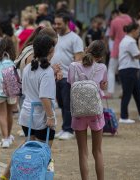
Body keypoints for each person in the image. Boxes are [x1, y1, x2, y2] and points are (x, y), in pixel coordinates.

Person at [0, 34, 56, 180]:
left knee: (27, 148)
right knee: (44, 154)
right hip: (41, 117)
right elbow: (44, 96)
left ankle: (8, 174)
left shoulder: (28, 68)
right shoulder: (47, 71)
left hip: (26, 114)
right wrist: (50, 116)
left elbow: (26, 90)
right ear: (50, 51)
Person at [67, 40, 107, 180]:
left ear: (86, 49)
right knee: (97, 151)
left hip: (78, 111)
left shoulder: (73, 66)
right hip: (95, 111)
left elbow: (72, 84)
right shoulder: (101, 67)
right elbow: (102, 87)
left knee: (82, 152)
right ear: (101, 57)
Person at [52, 12, 84, 140]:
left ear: (67, 23)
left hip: (67, 77)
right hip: (55, 76)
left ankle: (69, 129)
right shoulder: (55, 37)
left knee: (67, 104)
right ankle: (65, 127)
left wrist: (74, 77)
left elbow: (78, 59)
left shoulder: (75, 38)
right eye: (55, 23)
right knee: (61, 103)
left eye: (59, 24)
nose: (56, 26)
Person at [107, 3, 132, 98]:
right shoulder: (130, 20)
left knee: (111, 70)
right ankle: (123, 91)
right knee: (124, 70)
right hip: (128, 48)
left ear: (119, 10)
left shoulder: (114, 21)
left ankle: (110, 92)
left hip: (117, 47)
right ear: (128, 11)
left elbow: (111, 36)